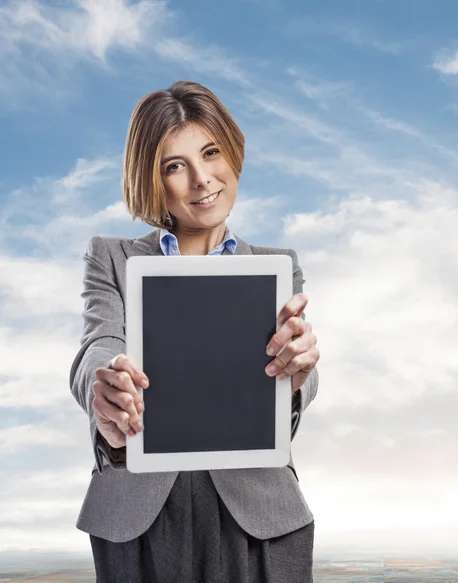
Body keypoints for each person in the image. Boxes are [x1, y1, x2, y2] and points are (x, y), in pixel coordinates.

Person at [69, 80, 321, 582]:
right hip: (139, 517)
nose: (202, 179)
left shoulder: (277, 266)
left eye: (211, 153)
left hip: (259, 514)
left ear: (232, 152)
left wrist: (299, 374)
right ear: (152, 178)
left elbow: (299, 367)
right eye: (174, 165)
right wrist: (108, 384)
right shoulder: (112, 258)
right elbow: (100, 342)